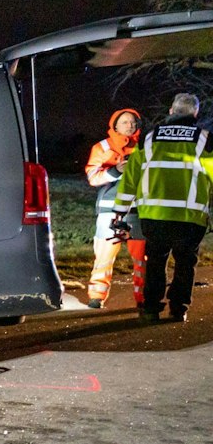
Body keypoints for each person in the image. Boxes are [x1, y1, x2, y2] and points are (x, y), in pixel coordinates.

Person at [113, 93, 213, 323]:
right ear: (195, 114)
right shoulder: (205, 140)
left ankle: (151, 309)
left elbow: (131, 177)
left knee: (156, 262)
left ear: (171, 111)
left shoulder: (149, 138)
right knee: (185, 263)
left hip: (154, 216)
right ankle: (179, 309)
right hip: (190, 217)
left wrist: (120, 210)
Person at [83, 108, 142, 306]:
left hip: (138, 212)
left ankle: (143, 298)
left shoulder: (144, 148)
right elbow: (93, 178)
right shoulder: (102, 147)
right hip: (109, 213)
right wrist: (116, 170)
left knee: (143, 259)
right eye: (125, 122)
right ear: (114, 125)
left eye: (133, 122)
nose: (130, 125)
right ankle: (96, 296)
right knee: (103, 258)